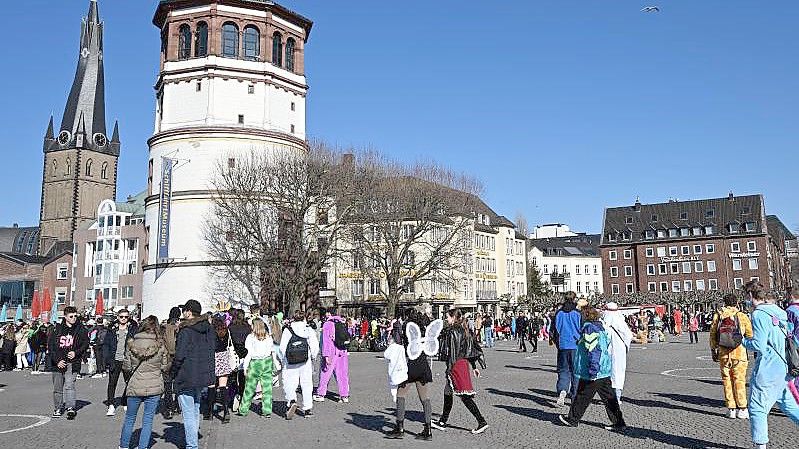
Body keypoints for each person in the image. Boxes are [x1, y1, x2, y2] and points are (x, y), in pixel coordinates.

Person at [741, 282, 799, 449]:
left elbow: (758, 345)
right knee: (789, 405)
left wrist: (742, 341)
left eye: (746, 296)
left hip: (768, 368)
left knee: (757, 408)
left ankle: (760, 445)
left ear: (751, 296)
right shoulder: (779, 312)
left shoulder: (758, 315)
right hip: (784, 367)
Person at [558, 306, 626, 431]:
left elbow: (593, 349)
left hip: (593, 370)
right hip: (603, 368)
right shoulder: (600, 326)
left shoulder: (589, 328)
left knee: (582, 396)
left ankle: (573, 419)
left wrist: (593, 369)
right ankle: (618, 421)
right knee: (608, 397)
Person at [433, 308, 488, 434]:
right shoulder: (464, 330)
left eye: (447, 317)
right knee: (448, 391)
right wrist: (474, 366)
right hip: (462, 363)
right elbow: (470, 350)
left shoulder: (453, 331)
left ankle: (482, 421)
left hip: (456, 364)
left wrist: (450, 368)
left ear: (453, 318)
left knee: (465, 396)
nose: (446, 319)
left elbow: (453, 351)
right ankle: (442, 421)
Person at [170, 300, 215, 449]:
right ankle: (193, 440)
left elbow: (179, 355)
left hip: (186, 375)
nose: (183, 314)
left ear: (189, 312)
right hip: (201, 374)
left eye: (184, 311)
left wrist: (172, 372)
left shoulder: (186, 330)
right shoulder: (208, 328)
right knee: (195, 409)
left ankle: (192, 445)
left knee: (189, 413)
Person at [119, 316, 169, 449]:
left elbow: (127, 367)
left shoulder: (131, 343)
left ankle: (124, 446)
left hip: (135, 385)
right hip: (154, 386)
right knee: (147, 421)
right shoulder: (160, 344)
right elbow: (164, 367)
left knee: (130, 419)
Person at [386, 309, 437, 440]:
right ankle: (428, 429)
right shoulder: (423, 330)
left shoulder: (408, 328)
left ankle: (400, 427)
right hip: (423, 365)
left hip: (411, 365)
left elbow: (399, 344)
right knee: (424, 397)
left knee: (400, 394)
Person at [709, 293, 753, 419]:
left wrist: (713, 349)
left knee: (726, 380)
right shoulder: (741, 316)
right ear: (736, 303)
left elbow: (712, 333)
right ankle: (742, 408)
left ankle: (731, 408)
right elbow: (750, 334)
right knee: (739, 380)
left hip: (723, 352)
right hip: (739, 353)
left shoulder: (718, 315)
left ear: (724, 303)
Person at [48, 306, 89, 419]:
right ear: (65, 317)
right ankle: (58, 408)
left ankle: (71, 407)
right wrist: (57, 360)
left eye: (75, 316)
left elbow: (85, 344)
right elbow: (51, 347)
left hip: (72, 362)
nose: (74, 318)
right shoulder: (57, 329)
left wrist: (76, 352)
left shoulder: (81, 329)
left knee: (70, 386)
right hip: (58, 363)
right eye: (71, 316)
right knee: (57, 388)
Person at [280, 310, 319, 419]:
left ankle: (291, 400)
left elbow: (282, 348)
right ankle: (307, 408)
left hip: (290, 362)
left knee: (289, 383)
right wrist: (313, 357)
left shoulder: (288, 330)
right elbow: (315, 346)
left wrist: (284, 360)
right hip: (305, 361)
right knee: (306, 384)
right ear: (303, 318)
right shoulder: (308, 329)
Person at [104, 310, 139, 416]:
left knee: (129, 382)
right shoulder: (112, 329)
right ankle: (111, 404)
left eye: (126, 317)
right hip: (115, 360)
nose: (124, 318)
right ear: (118, 317)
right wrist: (107, 360)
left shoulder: (133, 329)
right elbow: (106, 345)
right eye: (121, 317)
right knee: (112, 383)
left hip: (127, 360)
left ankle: (125, 401)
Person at [238, 318, 275, 418]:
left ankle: (243, 409)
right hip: (267, 362)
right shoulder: (268, 337)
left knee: (249, 388)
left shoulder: (250, 337)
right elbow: (272, 351)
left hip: (255, 363)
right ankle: (267, 410)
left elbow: (248, 354)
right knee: (267, 388)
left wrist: (245, 367)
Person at [314, 308, 350, 403]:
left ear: (328, 314)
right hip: (342, 351)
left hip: (331, 352)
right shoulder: (342, 323)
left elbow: (326, 341)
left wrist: (325, 355)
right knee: (342, 374)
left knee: (325, 373)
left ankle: (321, 394)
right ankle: (344, 395)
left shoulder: (327, 324)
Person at [552, 292, 582, 407]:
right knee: (576, 372)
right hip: (576, 345)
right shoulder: (578, 313)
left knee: (563, 370)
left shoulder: (559, 313)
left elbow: (554, 331)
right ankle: (575, 397)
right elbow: (582, 329)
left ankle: (562, 390)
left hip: (563, 345)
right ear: (574, 299)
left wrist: (557, 343)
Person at [602, 302, 634, 400]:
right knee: (618, 372)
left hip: (607, 351)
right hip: (619, 351)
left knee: (607, 372)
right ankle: (617, 396)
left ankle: (609, 396)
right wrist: (625, 348)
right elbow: (628, 336)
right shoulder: (621, 323)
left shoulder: (603, 323)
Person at [207, 316, 232, 423]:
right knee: (223, 386)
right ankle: (226, 411)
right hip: (223, 357)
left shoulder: (211, 332)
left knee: (211, 387)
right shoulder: (226, 331)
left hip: (212, 358)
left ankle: (210, 412)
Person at [227, 308, 251, 412]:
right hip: (245, 353)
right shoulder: (248, 327)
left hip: (234, 353)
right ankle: (242, 397)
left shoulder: (231, 327)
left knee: (232, 377)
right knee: (243, 378)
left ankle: (233, 397)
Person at [161, 306, 181, 419]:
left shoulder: (164, 327)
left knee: (167, 385)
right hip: (178, 358)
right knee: (178, 384)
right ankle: (178, 406)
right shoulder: (179, 327)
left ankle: (168, 409)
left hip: (166, 358)